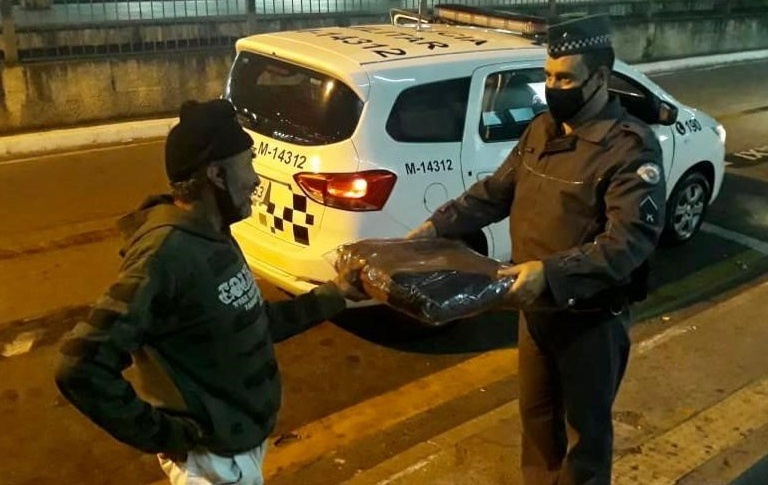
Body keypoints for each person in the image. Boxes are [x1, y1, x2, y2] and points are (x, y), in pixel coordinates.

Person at [408, 15, 666, 485]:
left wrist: (550, 273)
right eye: (547, 76)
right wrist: (436, 225)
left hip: (590, 321)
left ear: (600, 78)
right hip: (535, 312)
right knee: (537, 424)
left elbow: (629, 241)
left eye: (564, 78)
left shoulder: (629, 148)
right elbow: (495, 193)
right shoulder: (542, 130)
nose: (552, 88)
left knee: (586, 438)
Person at [55, 99, 366, 485]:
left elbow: (252, 321)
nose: (255, 180)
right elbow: (81, 364)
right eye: (248, 164)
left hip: (240, 450)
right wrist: (166, 436)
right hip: (212, 467)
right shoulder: (164, 255)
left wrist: (336, 293)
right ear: (217, 174)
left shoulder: (214, 234)